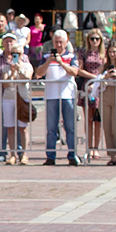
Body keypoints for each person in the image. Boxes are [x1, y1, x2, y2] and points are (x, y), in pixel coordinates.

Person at [34, 28, 81, 166]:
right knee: (51, 128)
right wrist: (49, 61)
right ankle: (50, 156)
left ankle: (72, 154)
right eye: (56, 42)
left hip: (67, 95)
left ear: (66, 43)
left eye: (61, 42)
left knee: (70, 127)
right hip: (51, 95)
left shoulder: (72, 57)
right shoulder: (45, 57)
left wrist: (61, 62)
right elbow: (39, 73)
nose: (59, 45)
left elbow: (74, 72)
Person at [0, 32, 32, 165]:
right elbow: (4, 84)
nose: (16, 57)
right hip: (8, 98)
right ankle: (12, 154)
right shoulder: (6, 67)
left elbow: (26, 79)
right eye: (13, 54)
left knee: (22, 127)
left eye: (19, 54)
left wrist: (19, 69)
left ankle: (24, 154)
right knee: (10, 127)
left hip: (22, 98)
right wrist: (11, 71)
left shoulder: (27, 65)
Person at [77, 31, 105, 160]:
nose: (94, 41)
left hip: (100, 87)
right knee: (88, 119)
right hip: (88, 86)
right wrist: (94, 78)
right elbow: (80, 69)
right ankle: (88, 147)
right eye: (92, 39)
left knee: (98, 119)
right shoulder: (84, 52)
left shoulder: (103, 53)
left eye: (97, 39)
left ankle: (96, 148)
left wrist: (99, 80)